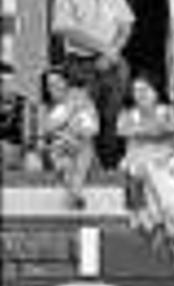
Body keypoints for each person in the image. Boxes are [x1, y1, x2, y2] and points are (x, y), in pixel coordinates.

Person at [51, 0, 134, 169]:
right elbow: (64, 28)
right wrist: (105, 48)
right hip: (80, 64)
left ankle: (110, 174)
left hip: (113, 63)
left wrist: (113, 52)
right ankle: (84, 176)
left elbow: (126, 26)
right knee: (83, 122)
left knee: (112, 122)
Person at [117, 74, 174, 230]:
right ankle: (137, 209)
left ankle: (154, 212)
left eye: (144, 89)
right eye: (136, 90)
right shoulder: (128, 113)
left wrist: (153, 133)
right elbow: (124, 131)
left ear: (156, 92)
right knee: (131, 167)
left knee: (145, 166)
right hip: (137, 155)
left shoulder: (166, 111)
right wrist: (155, 132)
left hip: (163, 155)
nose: (140, 94)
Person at [41, 69, 99, 209]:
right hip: (56, 149)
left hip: (81, 147)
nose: (55, 87)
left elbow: (93, 129)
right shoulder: (45, 107)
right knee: (60, 152)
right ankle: (75, 194)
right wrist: (69, 114)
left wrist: (73, 132)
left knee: (82, 148)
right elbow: (46, 129)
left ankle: (74, 192)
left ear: (66, 82)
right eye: (50, 84)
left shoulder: (84, 102)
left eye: (58, 82)